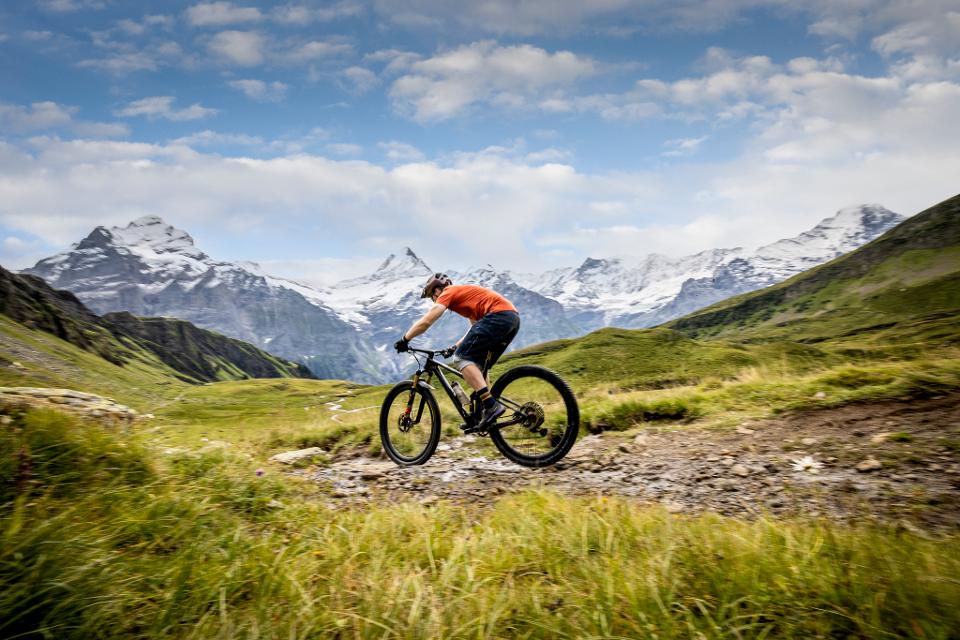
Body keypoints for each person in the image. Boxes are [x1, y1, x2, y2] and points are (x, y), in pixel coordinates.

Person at [395, 273, 521, 429]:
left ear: (437, 289)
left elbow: (427, 321)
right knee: (478, 364)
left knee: (461, 359)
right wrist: (454, 347)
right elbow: (475, 329)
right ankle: (484, 413)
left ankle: (491, 406)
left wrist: (405, 339)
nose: (433, 300)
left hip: (498, 316)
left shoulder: (448, 292)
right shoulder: (467, 299)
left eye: (431, 295)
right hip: (511, 318)